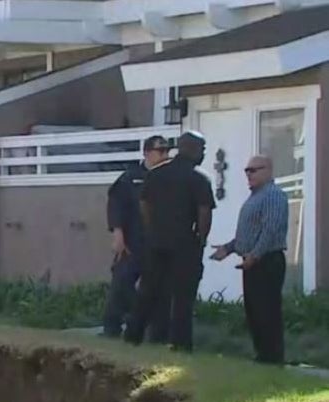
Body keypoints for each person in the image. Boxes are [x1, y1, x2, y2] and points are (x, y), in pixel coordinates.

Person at [124, 131, 215, 352]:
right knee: (183, 296)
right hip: (184, 243)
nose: (203, 154)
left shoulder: (155, 174)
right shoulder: (198, 179)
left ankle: (133, 336)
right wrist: (201, 238)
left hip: (156, 242)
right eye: (202, 149)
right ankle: (180, 343)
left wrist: (151, 229)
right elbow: (204, 212)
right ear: (192, 149)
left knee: (148, 290)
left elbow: (144, 204)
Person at [210, 156, 289, 365]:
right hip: (252, 262)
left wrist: (254, 255)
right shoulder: (255, 197)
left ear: (268, 170)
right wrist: (228, 248)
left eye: (253, 170)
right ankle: (262, 355)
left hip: (267, 261)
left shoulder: (273, 195)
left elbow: (270, 230)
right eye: (247, 170)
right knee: (254, 311)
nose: (248, 174)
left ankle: (272, 358)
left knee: (266, 310)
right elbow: (249, 233)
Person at [102, 135, 172, 341]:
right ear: (147, 153)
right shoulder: (131, 177)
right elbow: (116, 205)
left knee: (156, 289)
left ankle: (152, 331)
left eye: (167, 151)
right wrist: (118, 234)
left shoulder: (168, 178)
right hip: (132, 241)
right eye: (160, 151)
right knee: (121, 282)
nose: (165, 156)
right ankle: (112, 327)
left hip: (157, 243)